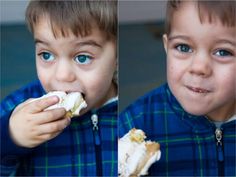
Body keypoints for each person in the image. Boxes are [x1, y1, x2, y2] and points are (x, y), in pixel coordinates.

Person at [1, 0, 117, 176]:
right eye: (46, 55)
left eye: (82, 58)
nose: (61, 76)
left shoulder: (134, 117)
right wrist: (9, 138)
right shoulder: (16, 110)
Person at [119, 0, 235, 176]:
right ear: (167, 46)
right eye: (183, 47)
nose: (198, 67)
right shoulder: (135, 123)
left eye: (223, 52)